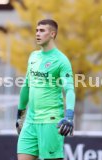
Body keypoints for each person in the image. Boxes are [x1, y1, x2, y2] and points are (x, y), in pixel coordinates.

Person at [16, 19, 76, 160]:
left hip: (50, 120)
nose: (37, 33)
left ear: (52, 34)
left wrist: (69, 115)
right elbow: (26, 86)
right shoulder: (33, 56)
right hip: (30, 121)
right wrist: (20, 113)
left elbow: (69, 90)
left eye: (42, 30)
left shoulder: (61, 60)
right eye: (37, 30)